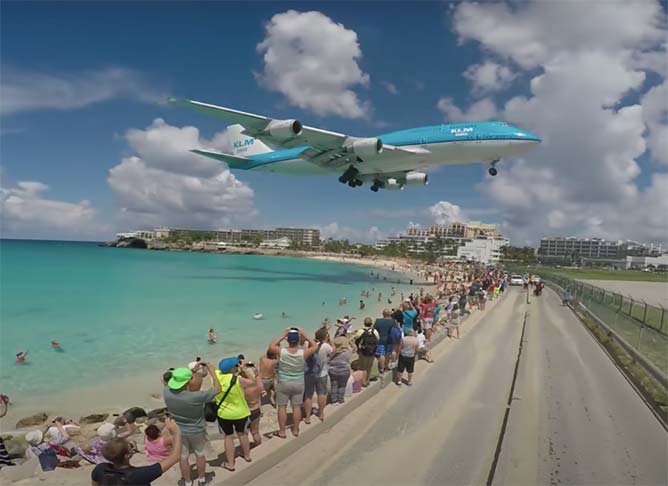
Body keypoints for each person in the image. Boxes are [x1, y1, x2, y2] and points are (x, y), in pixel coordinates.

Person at [163, 362, 221, 486]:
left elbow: (163, 379)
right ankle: (201, 479)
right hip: (197, 430)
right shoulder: (196, 397)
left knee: (183, 457)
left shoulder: (166, 392)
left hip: (178, 431)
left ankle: (188, 482)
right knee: (200, 454)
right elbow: (217, 389)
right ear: (189, 382)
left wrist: (190, 373)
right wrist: (212, 371)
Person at [91, 418, 182, 486]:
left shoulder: (100, 469)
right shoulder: (139, 474)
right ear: (127, 455)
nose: (131, 446)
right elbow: (175, 457)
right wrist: (176, 433)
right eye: (129, 446)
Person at [268, 328, 318, 438]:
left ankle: (282, 431)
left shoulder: (282, 352)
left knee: (282, 407)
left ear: (288, 340)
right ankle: (295, 429)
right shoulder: (303, 353)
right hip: (298, 382)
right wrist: (304, 333)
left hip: (284, 382)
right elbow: (315, 346)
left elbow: (271, 346)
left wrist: (283, 334)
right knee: (296, 407)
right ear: (298, 340)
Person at [214, 357, 260, 471]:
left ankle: (230, 463)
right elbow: (253, 382)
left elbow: (212, 370)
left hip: (224, 414)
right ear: (233, 368)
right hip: (240, 413)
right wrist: (244, 369)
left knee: (228, 437)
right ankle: (247, 456)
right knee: (243, 434)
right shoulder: (238, 379)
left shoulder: (215, 376)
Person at [303, 328, 332, 423]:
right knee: (321, 394)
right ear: (325, 336)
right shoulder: (326, 346)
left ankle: (307, 417)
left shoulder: (307, 344)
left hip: (309, 373)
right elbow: (333, 353)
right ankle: (321, 413)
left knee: (308, 395)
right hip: (321, 373)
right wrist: (330, 340)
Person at [239, 362, 264, 447]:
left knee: (244, 434)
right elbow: (257, 379)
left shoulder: (242, 388)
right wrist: (257, 374)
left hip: (245, 412)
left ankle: (246, 450)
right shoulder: (258, 386)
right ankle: (259, 446)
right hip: (256, 410)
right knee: (255, 432)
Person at [353, 318, 379, 387]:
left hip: (363, 350)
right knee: (369, 366)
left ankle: (363, 381)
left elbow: (356, 338)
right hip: (372, 351)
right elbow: (378, 338)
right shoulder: (374, 331)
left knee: (363, 366)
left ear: (364, 323)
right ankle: (367, 380)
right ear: (371, 323)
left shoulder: (361, 331)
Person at [328, 336, 353, 404]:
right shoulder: (349, 351)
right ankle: (340, 399)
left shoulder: (333, 351)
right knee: (342, 385)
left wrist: (332, 343)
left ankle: (334, 400)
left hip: (332, 370)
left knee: (334, 385)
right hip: (344, 370)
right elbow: (355, 348)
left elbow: (328, 360)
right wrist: (349, 341)